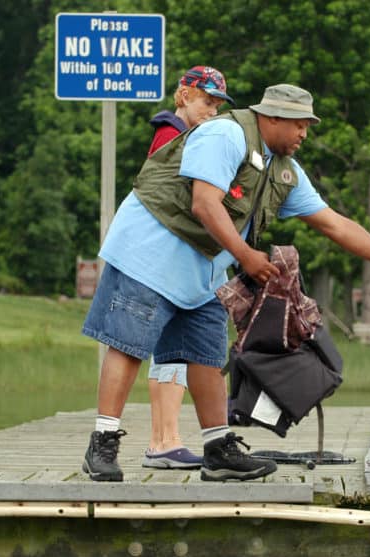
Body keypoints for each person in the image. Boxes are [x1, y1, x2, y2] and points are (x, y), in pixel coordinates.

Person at [82, 83, 370, 484]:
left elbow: (334, 223)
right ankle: (102, 443)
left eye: (307, 127)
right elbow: (204, 203)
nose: (304, 135)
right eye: (299, 125)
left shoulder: (284, 170)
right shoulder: (226, 134)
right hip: (150, 250)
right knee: (128, 345)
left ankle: (218, 451)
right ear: (273, 117)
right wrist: (246, 256)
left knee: (207, 356)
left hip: (199, 269)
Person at [142, 65, 235, 471]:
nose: (211, 111)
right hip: (168, 259)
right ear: (183, 96)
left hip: (180, 260)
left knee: (174, 352)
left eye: (217, 105)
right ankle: (164, 440)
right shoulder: (170, 137)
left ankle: (168, 439)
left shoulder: (189, 135)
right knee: (169, 351)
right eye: (205, 102)